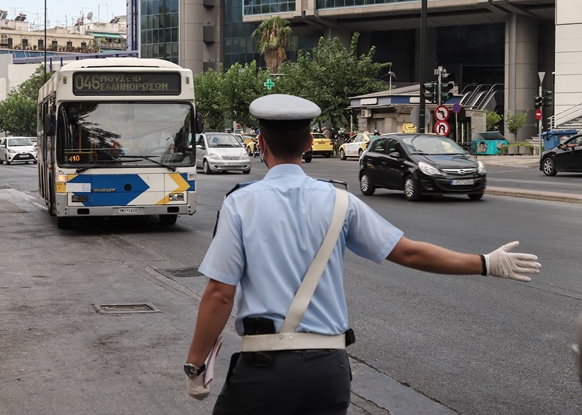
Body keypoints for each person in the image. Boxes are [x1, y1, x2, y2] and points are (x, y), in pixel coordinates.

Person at [184, 93, 541, 414]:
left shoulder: (240, 204)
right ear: (309, 143)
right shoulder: (341, 201)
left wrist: (195, 365)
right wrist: (484, 263)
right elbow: (411, 254)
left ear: (260, 144)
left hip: (263, 370)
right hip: (327, 370)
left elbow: (220, 294)